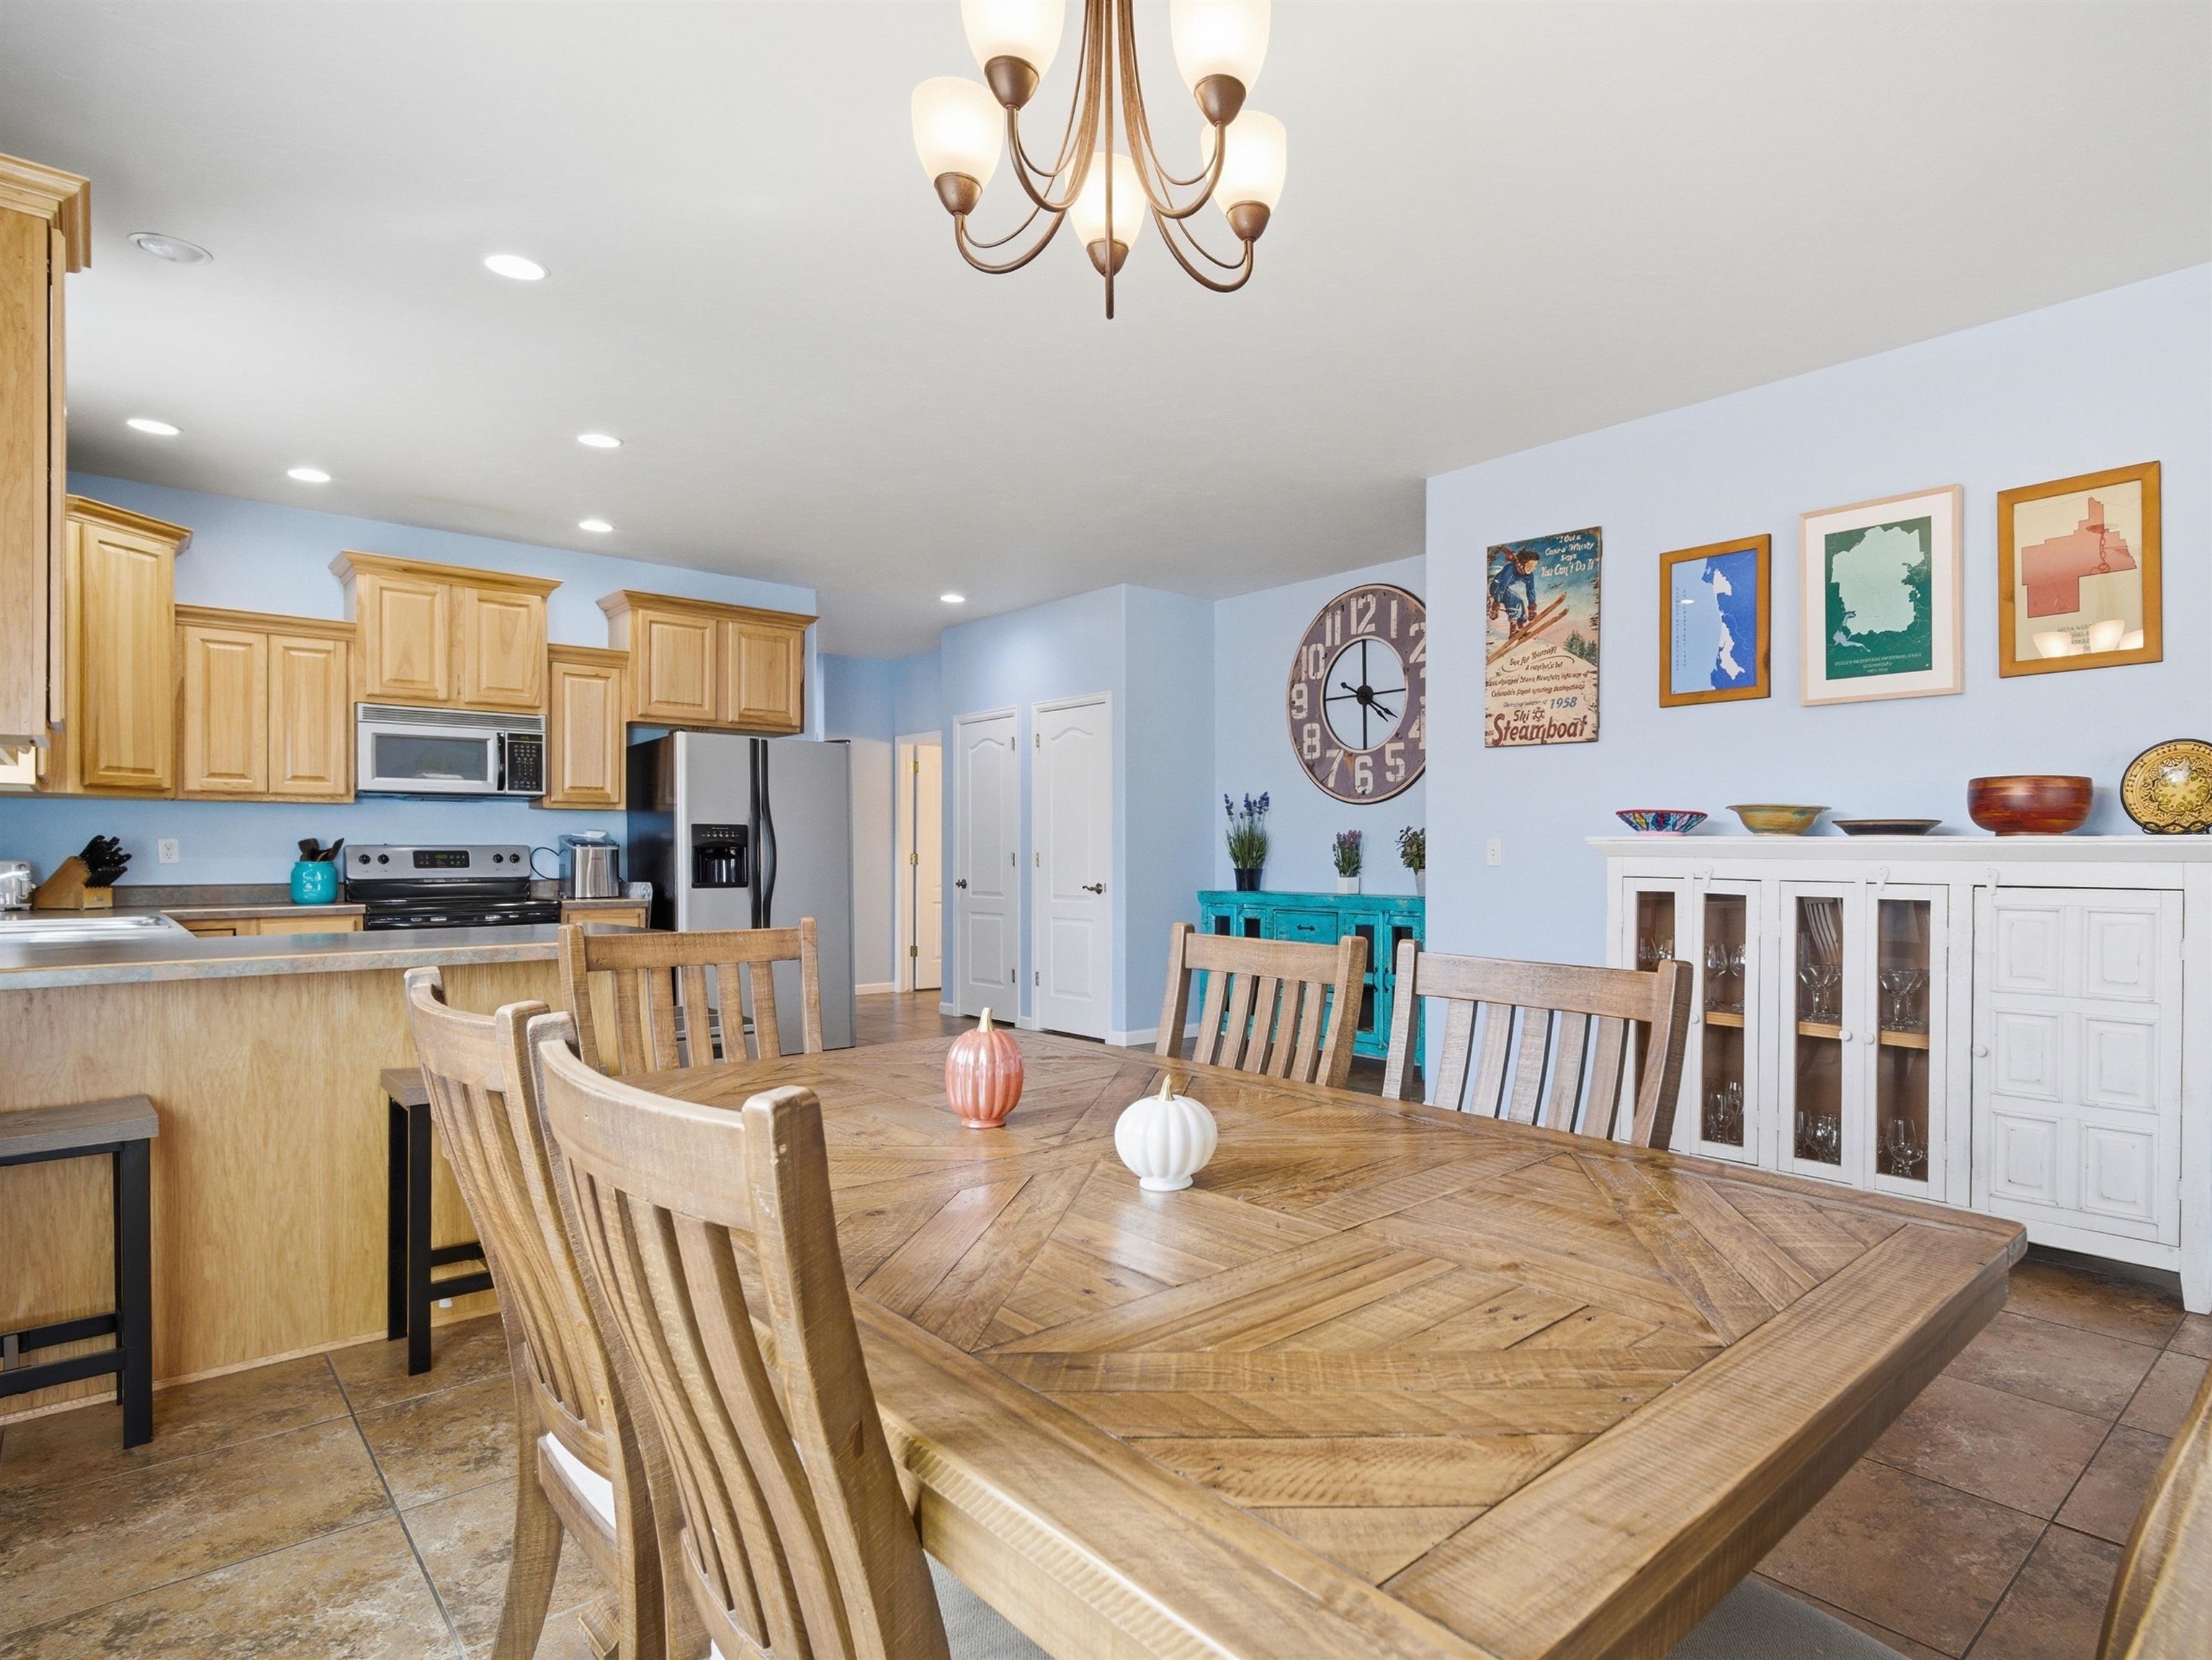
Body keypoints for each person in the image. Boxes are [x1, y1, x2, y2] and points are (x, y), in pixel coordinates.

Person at [1489, 548, 1542, 630]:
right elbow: (1502, 586)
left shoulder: (1529, 575)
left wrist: (1532, 607)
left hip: (1504, 589)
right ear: (1522, 564)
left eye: (1533, 566)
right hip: (1496, 588)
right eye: (1530, 566)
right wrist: (1496, 605)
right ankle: (1513, 628)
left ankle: (1520, 624)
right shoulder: (1510, 569)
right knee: (1514, 601)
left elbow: (1530, 589)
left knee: (1520, 601)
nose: (1531, 569)